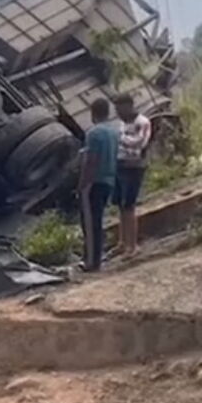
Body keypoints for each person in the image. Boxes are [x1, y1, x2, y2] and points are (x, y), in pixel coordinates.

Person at [79, 97, 118, 272]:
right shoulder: (114, 132)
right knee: (98, 219)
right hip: (109, 180)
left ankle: (91, 262)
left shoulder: (93, 134)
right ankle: (96, 257)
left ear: (92, 113)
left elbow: (91, 161)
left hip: (94, 182)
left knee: (90, 222)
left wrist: (83, 183)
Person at [113, 93, 152, 257]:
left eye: (119, 109)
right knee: (121, 205)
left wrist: (121, 138)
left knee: (129, 205)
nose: (118, 113)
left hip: (134, 167)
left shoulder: (143, 123)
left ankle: (133, 246)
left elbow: (139, 143)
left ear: (129, 106)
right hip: (120, 165)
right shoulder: (122, 124)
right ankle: (122, 242)